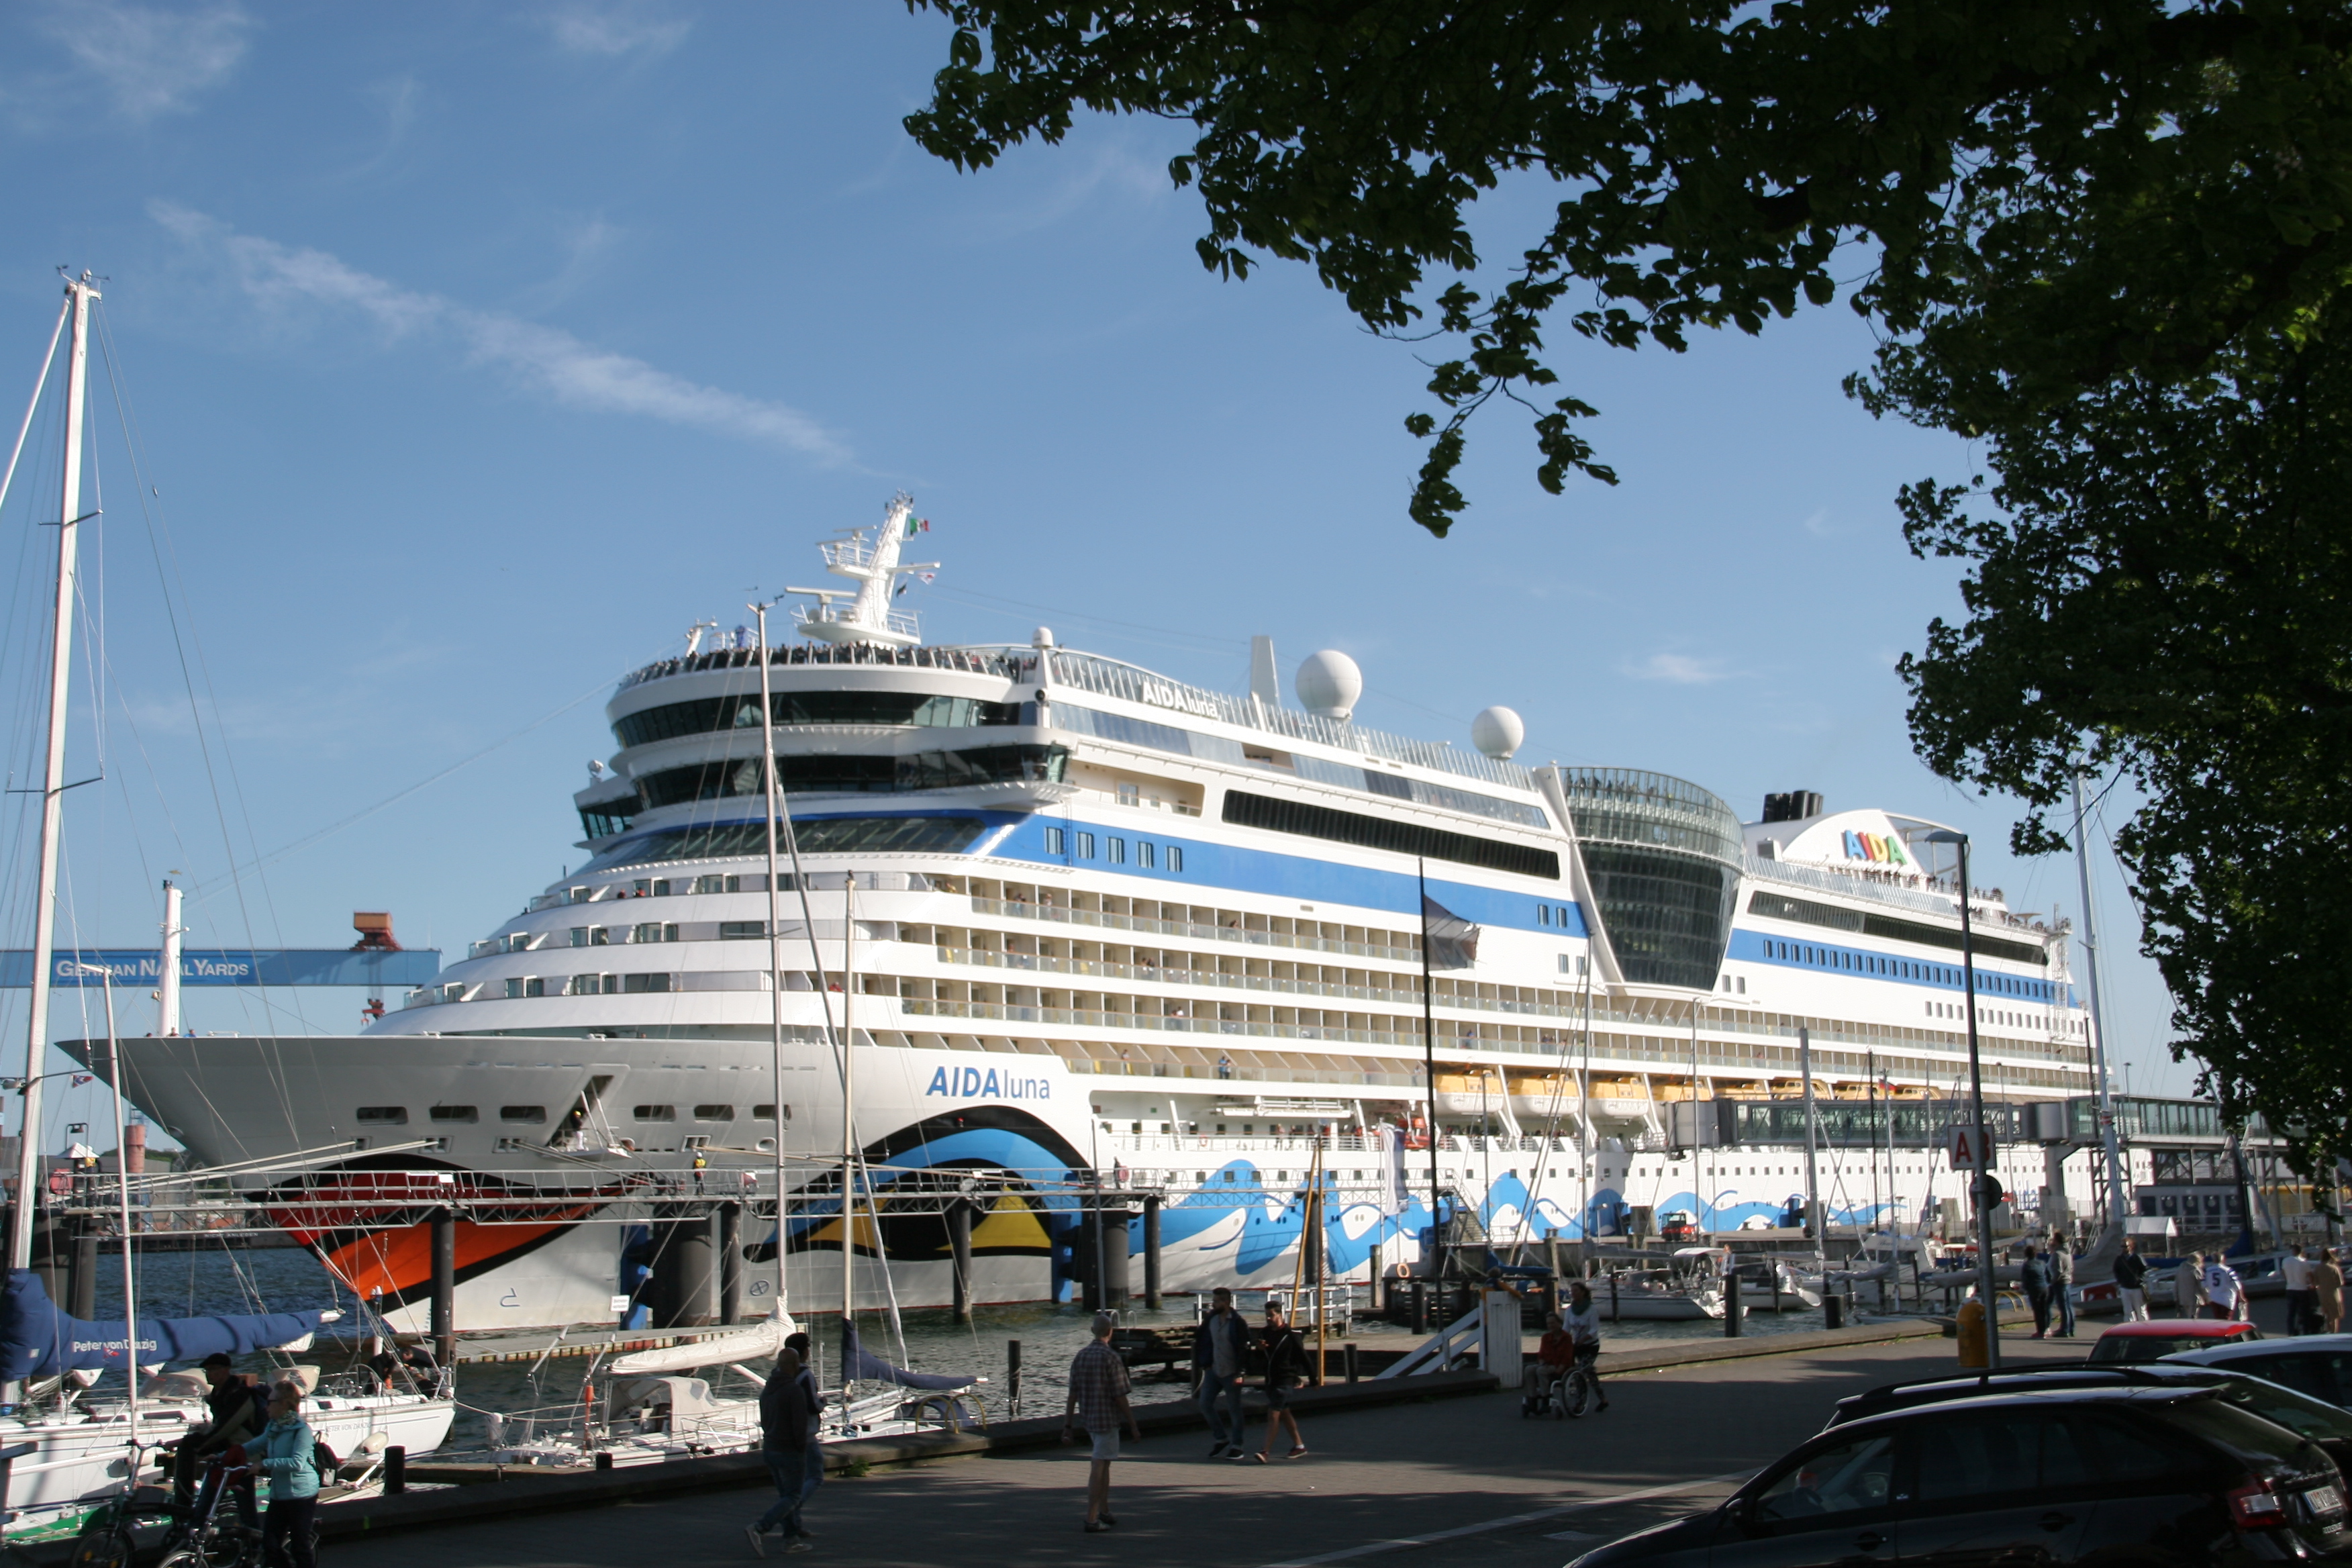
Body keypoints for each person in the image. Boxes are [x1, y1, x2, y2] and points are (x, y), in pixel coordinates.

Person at [1063, 1311, 1140, 1532]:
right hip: (1107, 1419)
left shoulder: (1080, 1357)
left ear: (1092, 1331)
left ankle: (1104, 1510)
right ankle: (1091, 1517)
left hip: (1089, 1419)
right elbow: (1120, 1395)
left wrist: (1068, 1426)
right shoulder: (1111, 1357)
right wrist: (1133, 1425)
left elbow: (1072, 1395)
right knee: (1099, 1465)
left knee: (1105, 1463)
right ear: (1110, 1332)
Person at [167, 1354, 264, 1526]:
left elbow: (225, 1427)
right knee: (205, 1507)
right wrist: (190, 1441)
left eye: (213, 1370)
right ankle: (196, 1534)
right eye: (206, 1371)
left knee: (246, 1510)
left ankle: (254, 1540)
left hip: (241, 1456)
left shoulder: (240, 1394)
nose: (209, 1374)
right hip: (223, 1455)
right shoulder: (218, 1394)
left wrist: (198, 1445)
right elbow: (216, 1427)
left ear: (226, 1370)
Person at [746, 1344, 822, 1557]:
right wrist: (800, 1448)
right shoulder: (793, 1390)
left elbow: (764, 1421)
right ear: (794, 1365)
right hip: (789, 1450)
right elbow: (799, 1424)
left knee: (785, 1496)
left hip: (770, 1447)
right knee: (793, 1496)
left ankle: (791, 1538)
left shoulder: (767, 1390)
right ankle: (760, 1527)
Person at [254, 1379, 320, 1568]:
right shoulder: (274, 1427)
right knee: (270, 1544)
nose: (266, 1407)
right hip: (279, 1494)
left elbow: (297, 1463)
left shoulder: (301, 1431)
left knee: (299, 1546)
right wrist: (226, 1456)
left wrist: (264, 1464)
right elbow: (255, 1444)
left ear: (283, 1404)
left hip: (301, 1494)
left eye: (270, 1402)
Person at [1191, 1287, 1250, 1460]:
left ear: (1226, 1302)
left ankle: (1237, 1446)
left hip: (1231, 1371)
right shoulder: (1211, 1319)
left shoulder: (1237, 1322)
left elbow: (1244, 1348)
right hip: (1214, 1369)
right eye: (1213, 1301)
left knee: (1234, 1409)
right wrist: (1204, 1363)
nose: (1213, 1304)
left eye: (1216, 1301)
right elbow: (1202, 1340)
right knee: (1205, 1404)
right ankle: (1221, 1438)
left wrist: (1241, 1372)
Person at [1255, 1299, 1310, 1463]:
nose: (1268, 1318)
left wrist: (1313, 1379)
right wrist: (1259, 1348)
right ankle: (1299, 1446)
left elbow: (1303, 1357)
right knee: (1285, 1413)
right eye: (1266, 1315)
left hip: (1286, 1380)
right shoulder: (1264, 1334)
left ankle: (1265, 1451)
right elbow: (1259, 1358)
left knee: (1273, 1413)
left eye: (1271, 1315)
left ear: (1280, 1315)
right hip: (1271, 1379)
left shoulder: (1290, 1334)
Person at [1562, 1280, 1607, 1411]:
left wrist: (1583, 1339)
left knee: (1581, 1371)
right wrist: (1561, 1339)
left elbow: (1594, 1330)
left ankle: (1579, 1403)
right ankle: (1603, 1399)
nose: (1573, 1294)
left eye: (1576, 1291)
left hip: (1590, 1346)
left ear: (1583, 1292)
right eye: (1572, 1291)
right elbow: (1566, 1328)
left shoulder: (1591, 1309)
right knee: (1590, 1374)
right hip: (1577, 1346)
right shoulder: (1570, 1310)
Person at [1534, 1310, 1577, 1406]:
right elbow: (1541, 1355)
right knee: (1529, 1370)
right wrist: (1542, 1363)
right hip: (1547, 1365)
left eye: (1553, 1323)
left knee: (1541, 1371)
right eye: (1549, 1324)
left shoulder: (1566, 1338)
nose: (1551, 1326)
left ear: (1559, 1323)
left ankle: (1545, 1398)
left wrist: (1558, 1371)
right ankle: (1531, 1397)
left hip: (1558, 1367)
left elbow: (1567, 1357)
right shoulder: (1546, 1338)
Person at [2018, 1242, 2053, 1338]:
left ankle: (2040, 1331)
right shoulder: (2042, 1263)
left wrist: (2024, 1289)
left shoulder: (2027, 1265)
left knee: (2038, 1311)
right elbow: (2049, 1276)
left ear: (2026, 1255)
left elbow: (2025, 1279)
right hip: (2045, 1288)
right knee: (2045, 1309)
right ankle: (2047, 1328)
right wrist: (2047, 1283)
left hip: (2035, 1289)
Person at [2047, 1229, 2077, 1338]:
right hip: (2067, 1281)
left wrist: (2052, 1282)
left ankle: (2064, 1329)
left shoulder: (2058, 1254)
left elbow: (2058, 1271)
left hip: (2060, 1283)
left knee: (2063, 1306)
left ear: (2057, 1241)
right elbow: (2071, 1267)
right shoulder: (2068, 1253)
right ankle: (2071, 1328)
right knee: (2068, 1305)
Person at [2113, 1235, 2151, 1322]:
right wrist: (2120, 1281)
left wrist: (2140, 1280)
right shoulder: (2119, 1259)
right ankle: (2130, 1326)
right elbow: (2116, 1271)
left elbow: (2146, 1270)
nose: (2123, 1248)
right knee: (2128, 1311)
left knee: (2140, 1310)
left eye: (2125, 1246)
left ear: (2131, 1247)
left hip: (2137, 1288)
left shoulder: (2137, 1258)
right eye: (2122, 1246)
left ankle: (2145, 1327)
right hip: (2125, 1287)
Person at [2284, 1244, 2316, 1336]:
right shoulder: (2304, 1262)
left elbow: (2284, 1273)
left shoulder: (2286, 1261)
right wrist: (2311, 1284)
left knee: (2291, 1313)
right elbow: (2310, 1275)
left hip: (2290, 1288)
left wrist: (2288, 1281)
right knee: (2305, 1312)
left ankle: (2291, 1331)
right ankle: (2306, 1331)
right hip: (2302, 1289)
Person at [2202, 1254, 2245, 1320]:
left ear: (2213, 1260)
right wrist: (2241, 1297)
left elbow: (2203, 1285)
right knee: (2226, 1319)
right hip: (2226, 1299)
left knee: (2218, 1319)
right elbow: (2236, 1284)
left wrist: (2205, 1296)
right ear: (2223, 1259)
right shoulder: (2228, 1270)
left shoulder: (2208, 1271)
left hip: (2214, 1298)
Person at [2314, 1246, 2345, 1333]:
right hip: (2334, 1293)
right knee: (2335, 1316)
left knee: (2327, 1314)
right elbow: (2340, 1283)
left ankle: (2328, 1331)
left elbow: (2315, 1282)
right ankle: (2334, 1332)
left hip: (2323, 1294)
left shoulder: (2318, 1268)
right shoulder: (2334, 1268)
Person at [2177, 1251, 2210, 1318]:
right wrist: (2208, 1298)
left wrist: (2176, 1297)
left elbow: (2176, 1284)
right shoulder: (2196, 1270)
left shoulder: (2180, 1269)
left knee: (2189, 1316)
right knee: (2194, 1317)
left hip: (2183, 1298)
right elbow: (2202, 1286)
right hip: (2194, 1298)